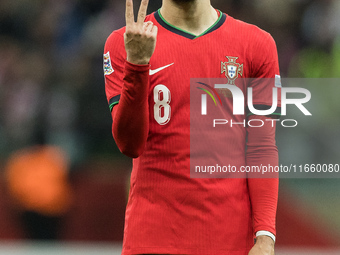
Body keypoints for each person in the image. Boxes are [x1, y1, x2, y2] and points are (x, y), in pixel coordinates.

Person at [104, 0, 280, 254]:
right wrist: (138, 64)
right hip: (153, 237)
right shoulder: (125, 42)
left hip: (228, 239)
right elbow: (129, 145)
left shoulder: (257, 44)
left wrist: (265, 236)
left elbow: (262, 147)